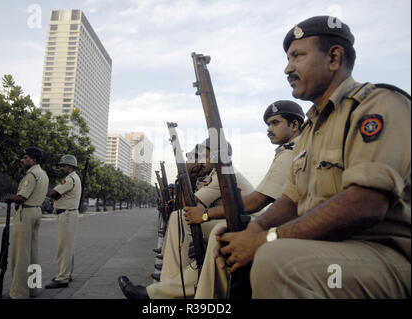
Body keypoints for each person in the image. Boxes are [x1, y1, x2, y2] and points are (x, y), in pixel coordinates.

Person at [217, 16, 411, 298]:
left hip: (385, 256)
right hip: (327, 248)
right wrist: (253, 231)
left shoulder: (376, 105)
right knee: (227, 240)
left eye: (297, 56)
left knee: (277, 260)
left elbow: (366, 203)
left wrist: (267, 238)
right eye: (287, 58)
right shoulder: (310, 130)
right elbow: (291, 200)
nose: (288, 68)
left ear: (334, 57)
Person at [191, 100, 305, 298]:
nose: (269, 129)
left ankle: (180, 291)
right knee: (216, 232)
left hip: (284, 225)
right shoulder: (285, 152)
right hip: (273, 221)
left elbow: (256, 202)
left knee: (217, 231)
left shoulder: (290, 154)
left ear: (294, 125)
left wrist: (204, 216)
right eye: (268, 124)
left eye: (275, 123)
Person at [118, 139, 254, 299]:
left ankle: (163, 291)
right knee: (179, 218)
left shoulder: (223, 173)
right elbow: (189, 206)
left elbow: (190, 205)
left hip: (246, 224)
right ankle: (167, 286)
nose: (203, 161)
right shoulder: (217, 173)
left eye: (206, 156)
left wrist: (186, 174)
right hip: (231, 219)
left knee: (181, 218)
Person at [5, 147, 49, 299]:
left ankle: (19, 292)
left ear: (34, 160)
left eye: (25, 157)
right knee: (32, 253)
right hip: (37, 211)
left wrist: (9, 197)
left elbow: (22, 197)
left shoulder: (31, 174)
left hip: (26, 212)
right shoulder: (43, 174)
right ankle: (32, 288)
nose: (22, 160)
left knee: (20, 254)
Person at [45, 154, 82, 289]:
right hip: (70, 214)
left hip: (66, 215)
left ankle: (62, 278)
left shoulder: (70, 179)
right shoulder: (74, 178)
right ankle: (67, 273)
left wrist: (54, 197)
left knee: (63, 248)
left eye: (64, 166)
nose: (61, 168)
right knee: (68, 247)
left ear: (70, 167)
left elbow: (53, 193)